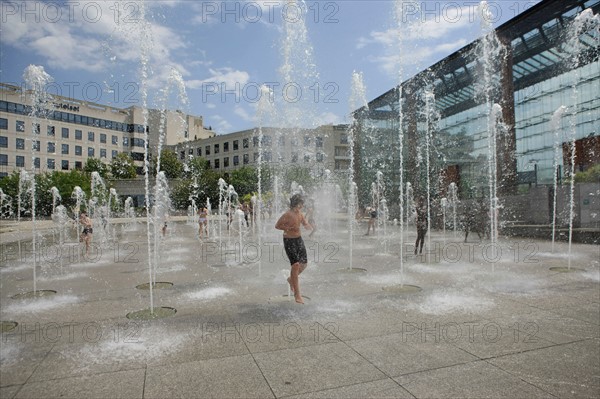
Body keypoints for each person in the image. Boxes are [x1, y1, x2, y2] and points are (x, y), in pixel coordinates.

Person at [275, 194, 313, 304]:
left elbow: (304, 223)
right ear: (296, 204)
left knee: (304, 264)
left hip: (298, 240)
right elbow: (277, 225)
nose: (302, 206)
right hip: (289, 241)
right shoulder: (287, 214)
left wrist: (308, 225)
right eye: (301, 204)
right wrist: (287, 227)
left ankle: (290, 280)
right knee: (295, 265)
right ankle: (297, 294)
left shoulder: (299, 214)